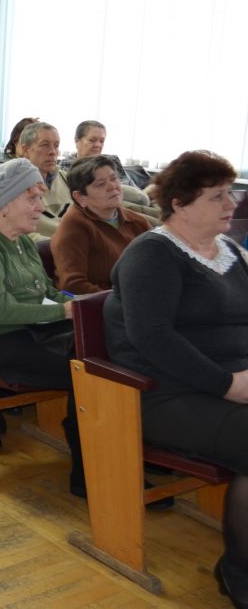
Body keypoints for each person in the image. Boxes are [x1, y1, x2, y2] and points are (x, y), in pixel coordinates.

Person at [104, 150, 248, 605]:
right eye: (217, 196)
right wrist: (230, 384)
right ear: (181, 204)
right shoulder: (153, 255)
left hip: (228, 381)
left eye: (231, 193)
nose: (232, 204)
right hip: (162, 391)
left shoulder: (229, 252)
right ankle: (239, 572)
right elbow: (154, 340)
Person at [0, 158, 83, 481]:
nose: (41, 206)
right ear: (5, 204)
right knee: (84, 371)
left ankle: (93, 448)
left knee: (98, 350)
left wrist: (78, 306)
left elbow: (45, 291)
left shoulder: (21, 238)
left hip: (28, 329)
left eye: (40, 196)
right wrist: (61, 312)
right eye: (32, 197)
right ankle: (85, 467)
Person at [51, 155, 152, 294]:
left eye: (114, 178)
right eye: (100, 184)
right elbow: (73, 285)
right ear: (80, 197)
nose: (112, 186)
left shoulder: (137, 222)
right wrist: (121, 301)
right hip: (103, 308)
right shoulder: (74, 227)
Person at [15, 121, 69, 240]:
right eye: (45, 145)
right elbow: (20, 235)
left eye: (56, 145)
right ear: (26, 150)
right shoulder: (14, 186)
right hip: (44, 252)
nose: (53, 152)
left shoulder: (67, 178)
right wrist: (63, 245)